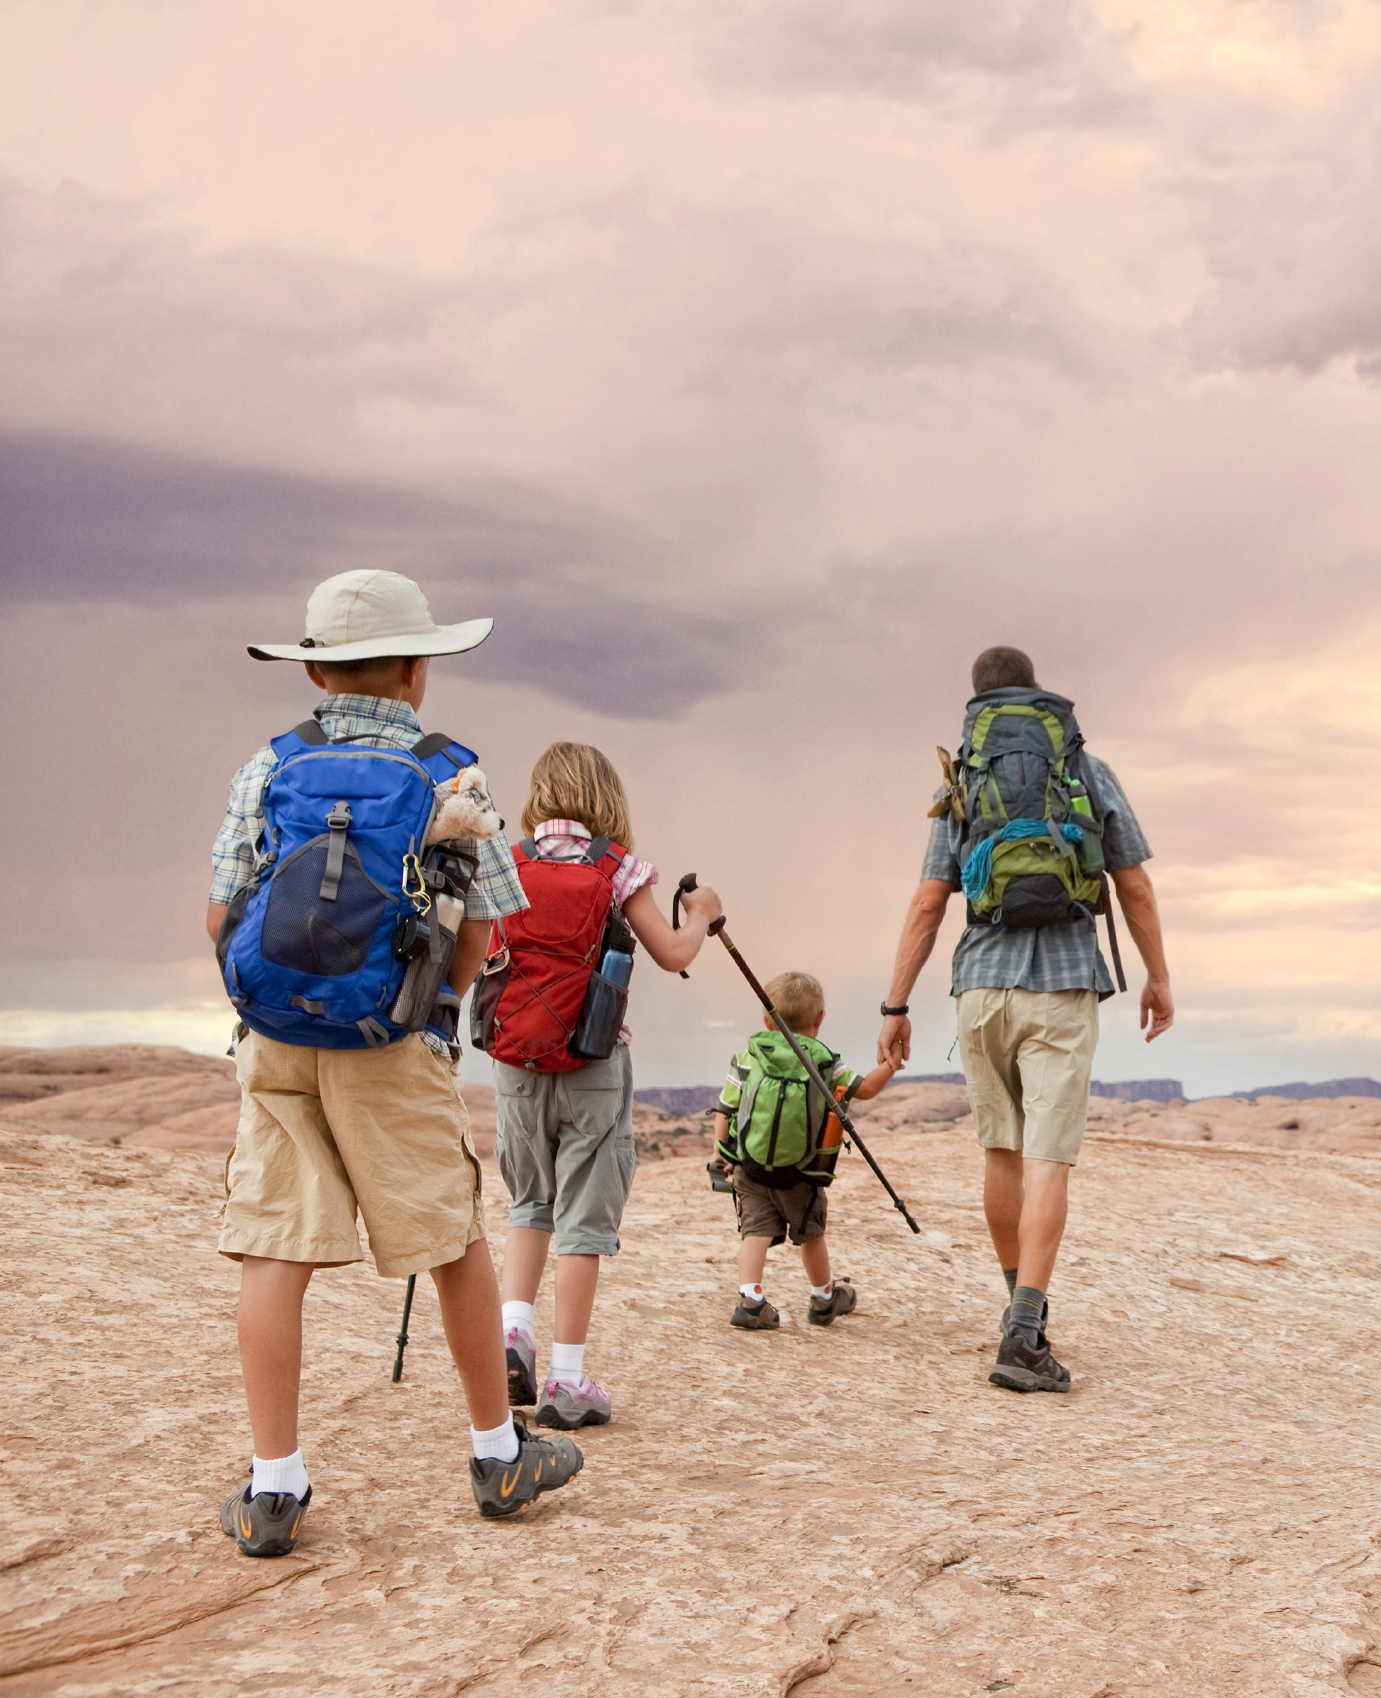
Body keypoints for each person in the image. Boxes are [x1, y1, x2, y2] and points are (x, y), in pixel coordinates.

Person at [208, 569, 584, 1559]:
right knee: (449, 1238)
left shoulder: (271, 763)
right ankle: (497, 1456)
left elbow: (220, 912)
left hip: (278, 1035)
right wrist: (432, 1005)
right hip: (395, 1040)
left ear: (316, 672)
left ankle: (274, 1486)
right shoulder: (452, 776)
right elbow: (486, 930)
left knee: (275, 1246)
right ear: (419, 670)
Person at [877, 645, 1172, 1393]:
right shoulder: (1085, 771)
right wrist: (1157, 976)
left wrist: (896, 1004)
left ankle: (1019, 1309)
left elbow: (927, 901)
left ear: (977, 704)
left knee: (1001, 1154)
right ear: (1038, 692)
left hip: (980, 985)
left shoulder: (962, 782)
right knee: (1048, 1160)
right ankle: (1025, 1332)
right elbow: (1133, 885)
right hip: (1063, 984)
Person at [485, 742, 723, 1430]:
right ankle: (566, 1381)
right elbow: (672, 953)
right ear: (605, 798)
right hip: (592, 1060)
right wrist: (701, 914)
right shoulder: (619, 870)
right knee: (583, 1222)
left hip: (516, 1060)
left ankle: (512, 1334)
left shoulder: (504, 860)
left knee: (530, 1202)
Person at [717, 971, 901, 1329]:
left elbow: (726, 1108)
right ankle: (823, 1299)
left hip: (751, 1168)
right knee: (810, 1234)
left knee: (755, 1232)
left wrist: (721, 1153)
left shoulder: (748, 1056)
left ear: (766, 1020)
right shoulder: (823, 1061)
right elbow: (865, 1090)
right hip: (802, 1172)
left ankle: (751, 1300)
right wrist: (891, 1061)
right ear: (820, 1019)